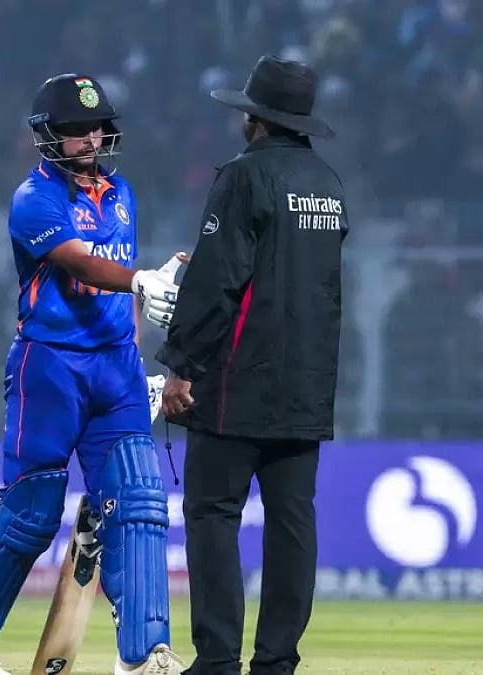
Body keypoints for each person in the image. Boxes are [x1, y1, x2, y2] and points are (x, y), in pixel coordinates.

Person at [0, 73, 185, 675]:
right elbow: (75, 260)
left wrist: (136, 355)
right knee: (31, 513)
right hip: (50, 365)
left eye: (95, 127)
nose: (88, 138)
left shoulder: (123, 193)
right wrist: (137, 279)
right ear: (47, 136)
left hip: (116, 368)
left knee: (138, 502)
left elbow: (119, 275)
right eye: (74, 130)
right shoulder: (34, 197)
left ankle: (144, 654)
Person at [155, 55, 347, 675]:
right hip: (308, 385)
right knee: (293, 523)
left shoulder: (243, 178)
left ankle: (216, 661)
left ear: (255, 120)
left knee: (213, 513)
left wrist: (182, 363)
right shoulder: (329, 184)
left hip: (236, 382)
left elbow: (218, 281)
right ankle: (277, 662)